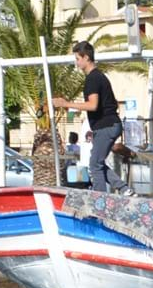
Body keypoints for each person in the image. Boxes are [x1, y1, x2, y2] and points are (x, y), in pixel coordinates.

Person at [53, 41, 135, 196]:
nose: (76, 63)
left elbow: (93, 105)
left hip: (107, 126)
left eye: (77, 59)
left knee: (95, 166)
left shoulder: (93, 79)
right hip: (105, 126)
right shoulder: (99, 77)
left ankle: (99, 200)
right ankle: (125, 189)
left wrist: (65, 104)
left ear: (85, 57)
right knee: (97, 163)